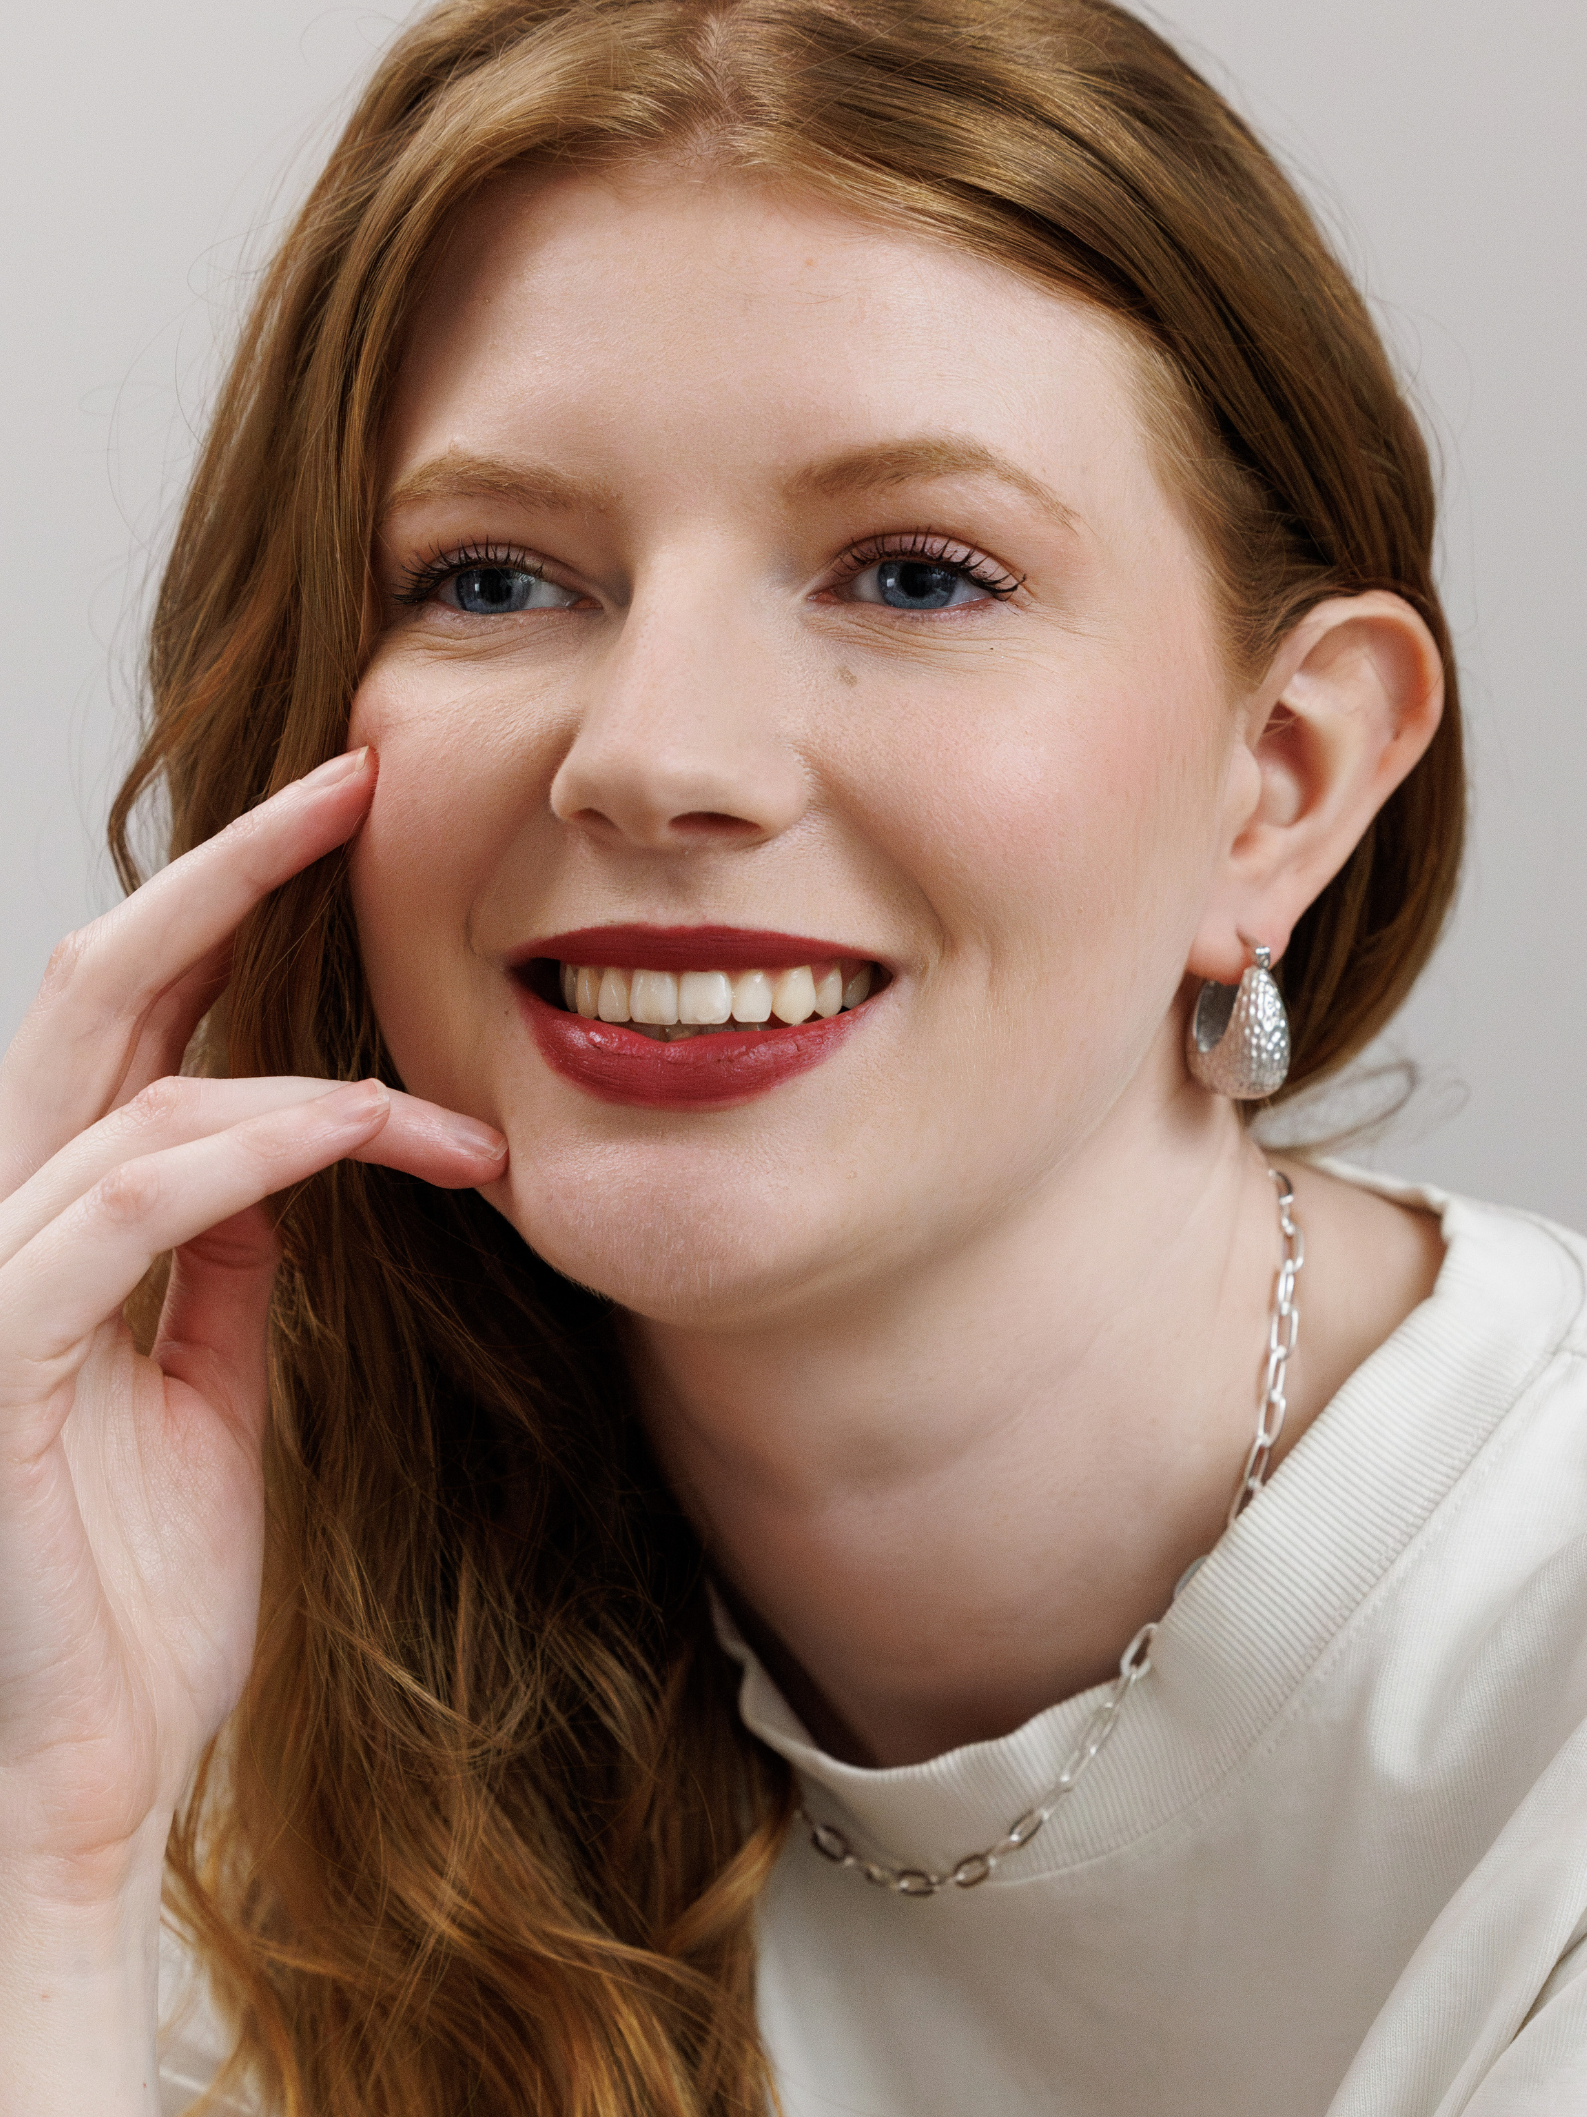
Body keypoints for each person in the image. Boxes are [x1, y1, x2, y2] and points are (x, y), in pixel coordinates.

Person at [4, 1, 1584, 2112]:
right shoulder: (201, 1630)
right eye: (493, 577)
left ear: (1279, 781)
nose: (656, 752)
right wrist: (53, 1859)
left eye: (917, 572)